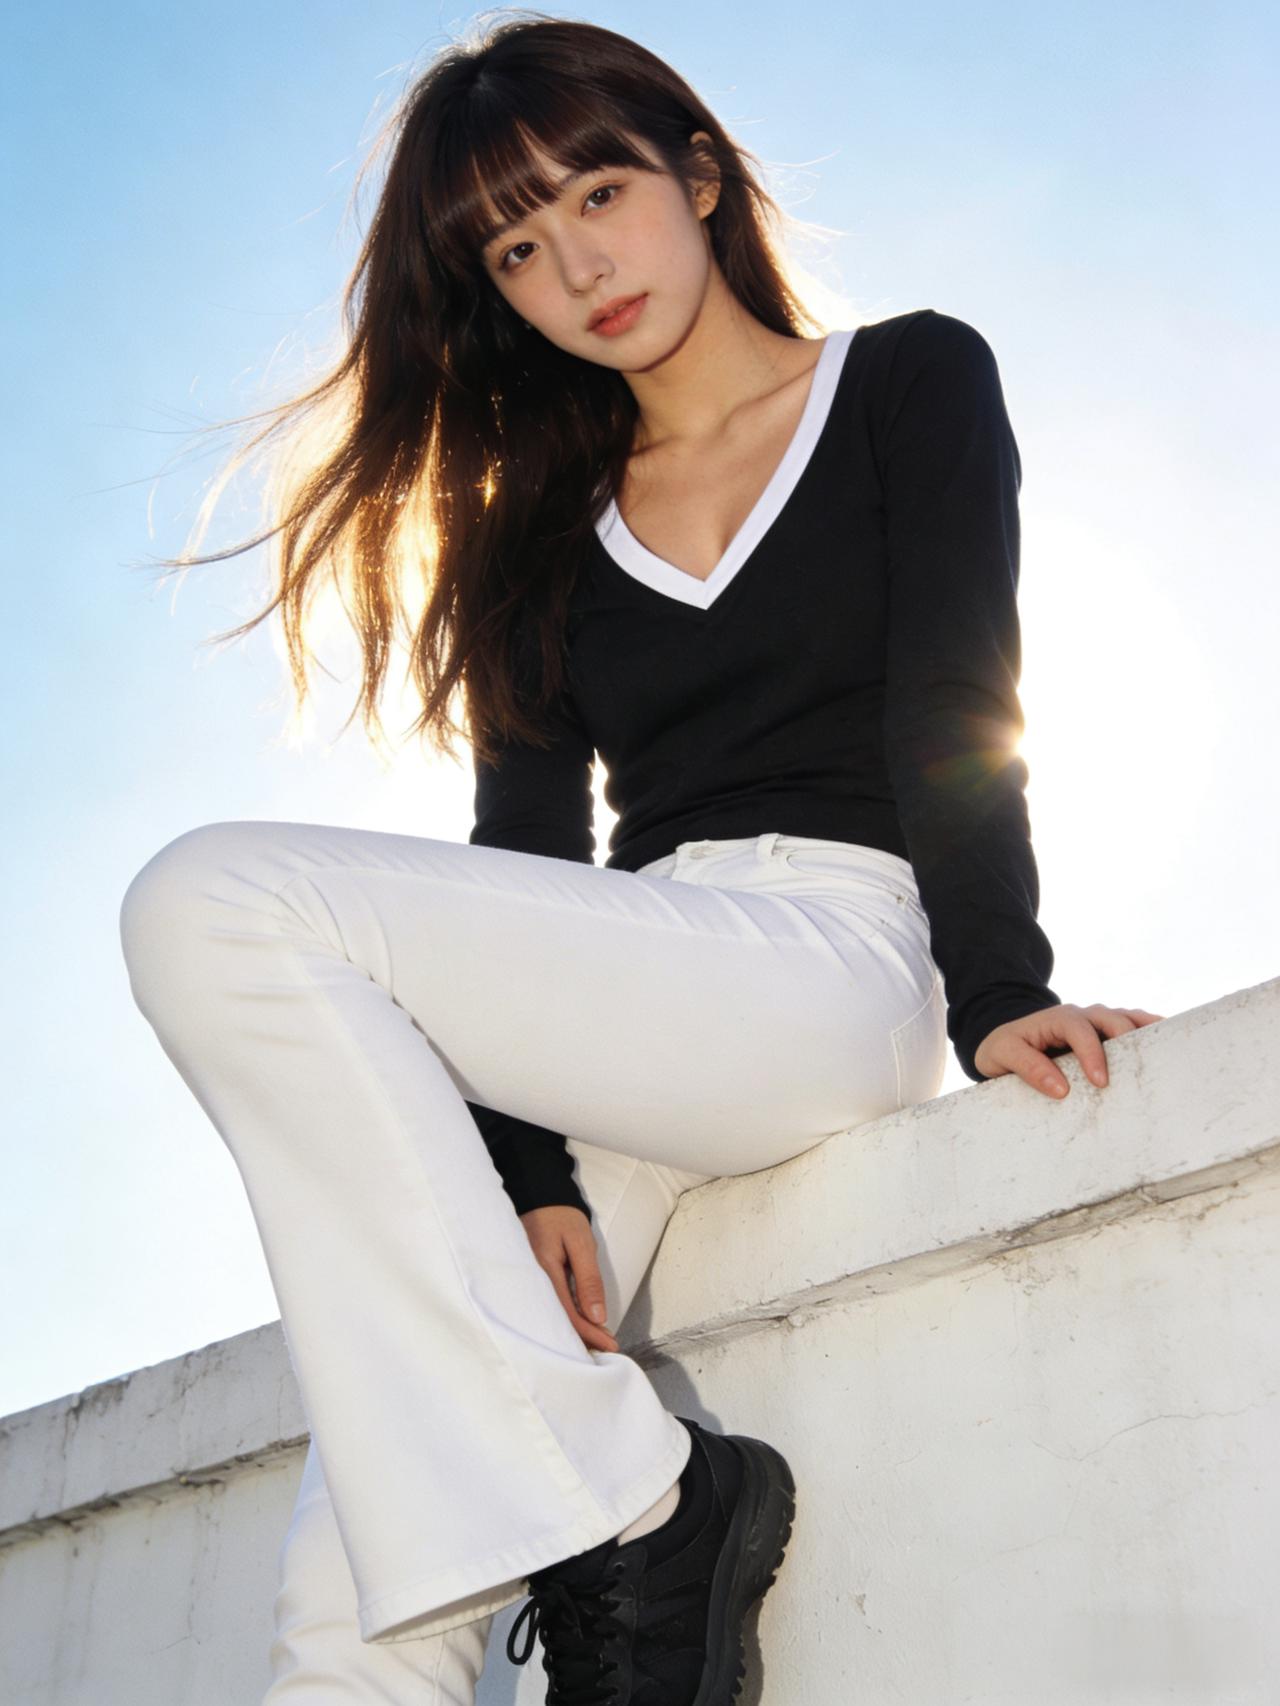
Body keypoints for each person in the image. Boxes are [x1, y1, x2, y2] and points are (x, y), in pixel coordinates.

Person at [118, 11, 1164, 1703]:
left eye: (596, 195)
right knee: (366, 1535)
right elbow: (525, 856)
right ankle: (623, 1523)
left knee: (209, 897)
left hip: (831, 959)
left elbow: (959, 705)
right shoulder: (529, 534)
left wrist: (999, 996)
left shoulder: (907, 380)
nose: (577, 268)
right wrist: (529, 1178)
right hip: (621, 987)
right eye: (516, 251)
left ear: (696, 173)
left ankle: (649, 1509)